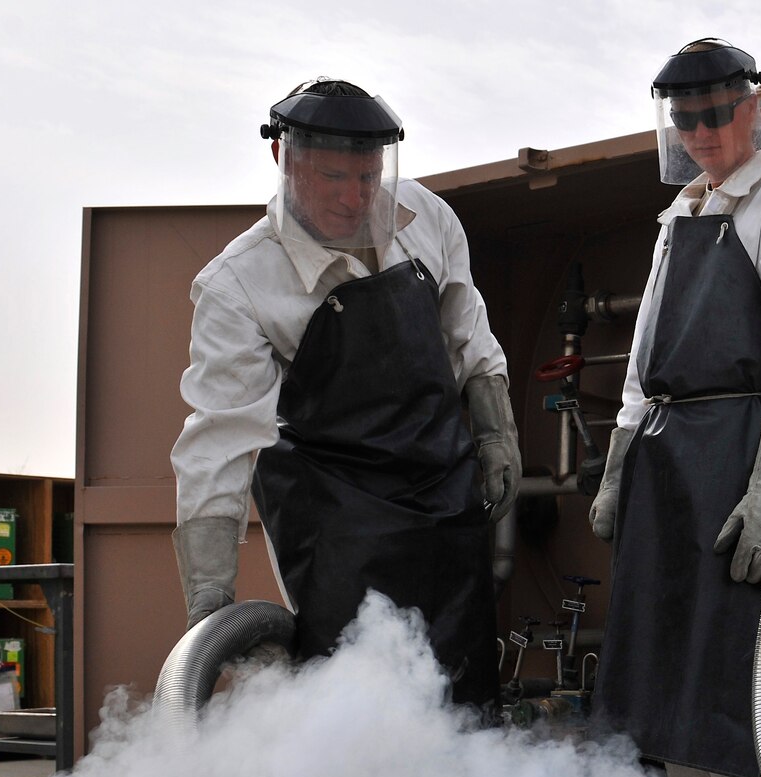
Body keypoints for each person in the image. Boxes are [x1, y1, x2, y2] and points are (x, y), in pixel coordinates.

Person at [170, 79, 520, 707]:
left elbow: (468, 332)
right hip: (336, 522)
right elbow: (217, 446)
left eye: (367, 176)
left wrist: (496, 433)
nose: (354, 197)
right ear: (284, 158)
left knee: (464, 703)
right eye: (333, 177)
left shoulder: (427, 217)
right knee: (359, 711)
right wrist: (209, 599)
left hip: (444, 499)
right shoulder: (239, 284)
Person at [588, 39, 761, 777]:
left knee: (738, 716)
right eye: (685, 119)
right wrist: (618, 474)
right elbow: (640, 375)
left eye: (713, 114)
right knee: (669, 720)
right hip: (667, 482)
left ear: (751, 109)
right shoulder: (678, 218)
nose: (701, 133)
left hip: (738, 469)